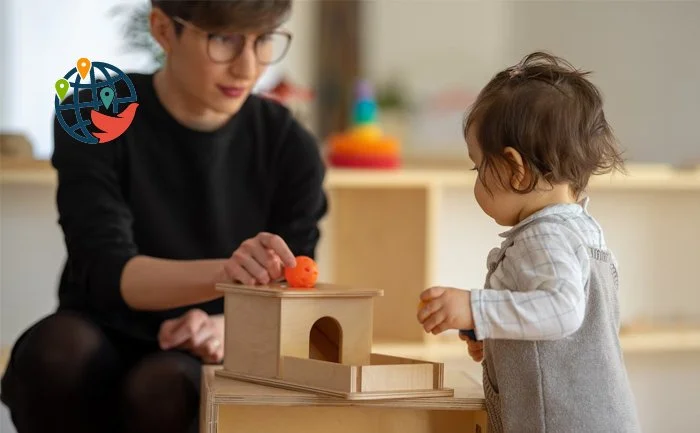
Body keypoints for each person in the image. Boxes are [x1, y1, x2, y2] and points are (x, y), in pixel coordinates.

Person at [0, 1, 327, 432]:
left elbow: (295, 283)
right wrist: (228, 274)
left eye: (264, 40)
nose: (248, 68)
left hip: (206, 344)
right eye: (223, 39)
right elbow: (106, 268)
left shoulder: (289, 144)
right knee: (56, 353)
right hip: (101, 330)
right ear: (162, 29)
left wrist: (226, 325)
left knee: (166, 386)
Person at [416, 52, 641, 433]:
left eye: (478, 165)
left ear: (515, 169)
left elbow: (564, 310)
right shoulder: (582, 230)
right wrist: (500, 340)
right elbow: (566, 342)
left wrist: (476, 308)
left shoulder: (546, 236)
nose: (476, 177)